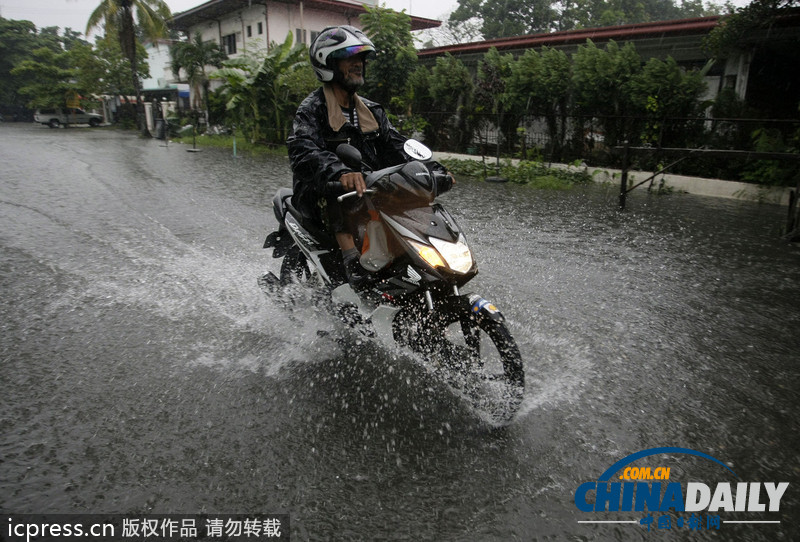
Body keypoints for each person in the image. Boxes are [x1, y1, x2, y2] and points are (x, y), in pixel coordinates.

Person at [287, 25, 452, 290]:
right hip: (323, 197)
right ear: (327, 62)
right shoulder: (312, 110)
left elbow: (398, 145)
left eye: (362, 58)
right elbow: (303, 151)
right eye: (350, 57)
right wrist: (340, 172)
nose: (359, 64)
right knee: (343, 190)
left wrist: (433, 169)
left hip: (370, 193)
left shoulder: (372, 111)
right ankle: (351, 260)